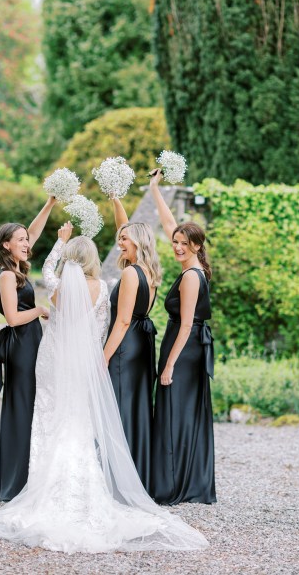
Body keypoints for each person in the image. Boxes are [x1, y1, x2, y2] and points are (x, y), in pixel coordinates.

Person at [0, 226, 209, 553]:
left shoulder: (58, 289)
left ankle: (42, 482)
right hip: (86, 364)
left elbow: (48, 269)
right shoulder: (104, 288)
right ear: (92, 261)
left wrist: (60, 241)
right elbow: (103, 328)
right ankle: (85, 485)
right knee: (79, 420)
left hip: (54, 363)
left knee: (50, 418)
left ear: (70, 261)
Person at [149, 169, 216, 504]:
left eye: (182, 243)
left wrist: (169, 365)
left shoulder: (191, 276)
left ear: (196, 246)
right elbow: (168, 223)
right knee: (182, 412)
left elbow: (187, 324)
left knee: (175, 411)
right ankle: (184, 478)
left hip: (184, 350)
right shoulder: (195, 266)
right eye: (175, 242)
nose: (176, 247)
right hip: (184, 346)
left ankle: (173, 484)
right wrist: (155, 190)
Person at [0, 196, 56, 501]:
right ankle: (14, 482)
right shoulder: (5, 275)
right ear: (6, 245)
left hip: (31, 342)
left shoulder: (18, 268)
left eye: (27, 240)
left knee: (30, 407)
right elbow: (14, 317)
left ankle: (25, 477)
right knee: (21, 408)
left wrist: (51, 202)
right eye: (20, 240)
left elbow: (34, 231)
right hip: (21, 344)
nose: (27, 243)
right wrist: (40, 310)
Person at [104, 199, 161, 492]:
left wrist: (103, 358)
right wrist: (116, 200)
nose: (119, 243)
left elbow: (122, 321)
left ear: (137, 241)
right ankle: (136, 477)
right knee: (134, 406)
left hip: (125, 347)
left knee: (116, 407)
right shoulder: (149, 272)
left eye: (123, 239)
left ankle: (116, 481)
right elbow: (123, 227)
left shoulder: (129, 273)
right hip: (142, 346)